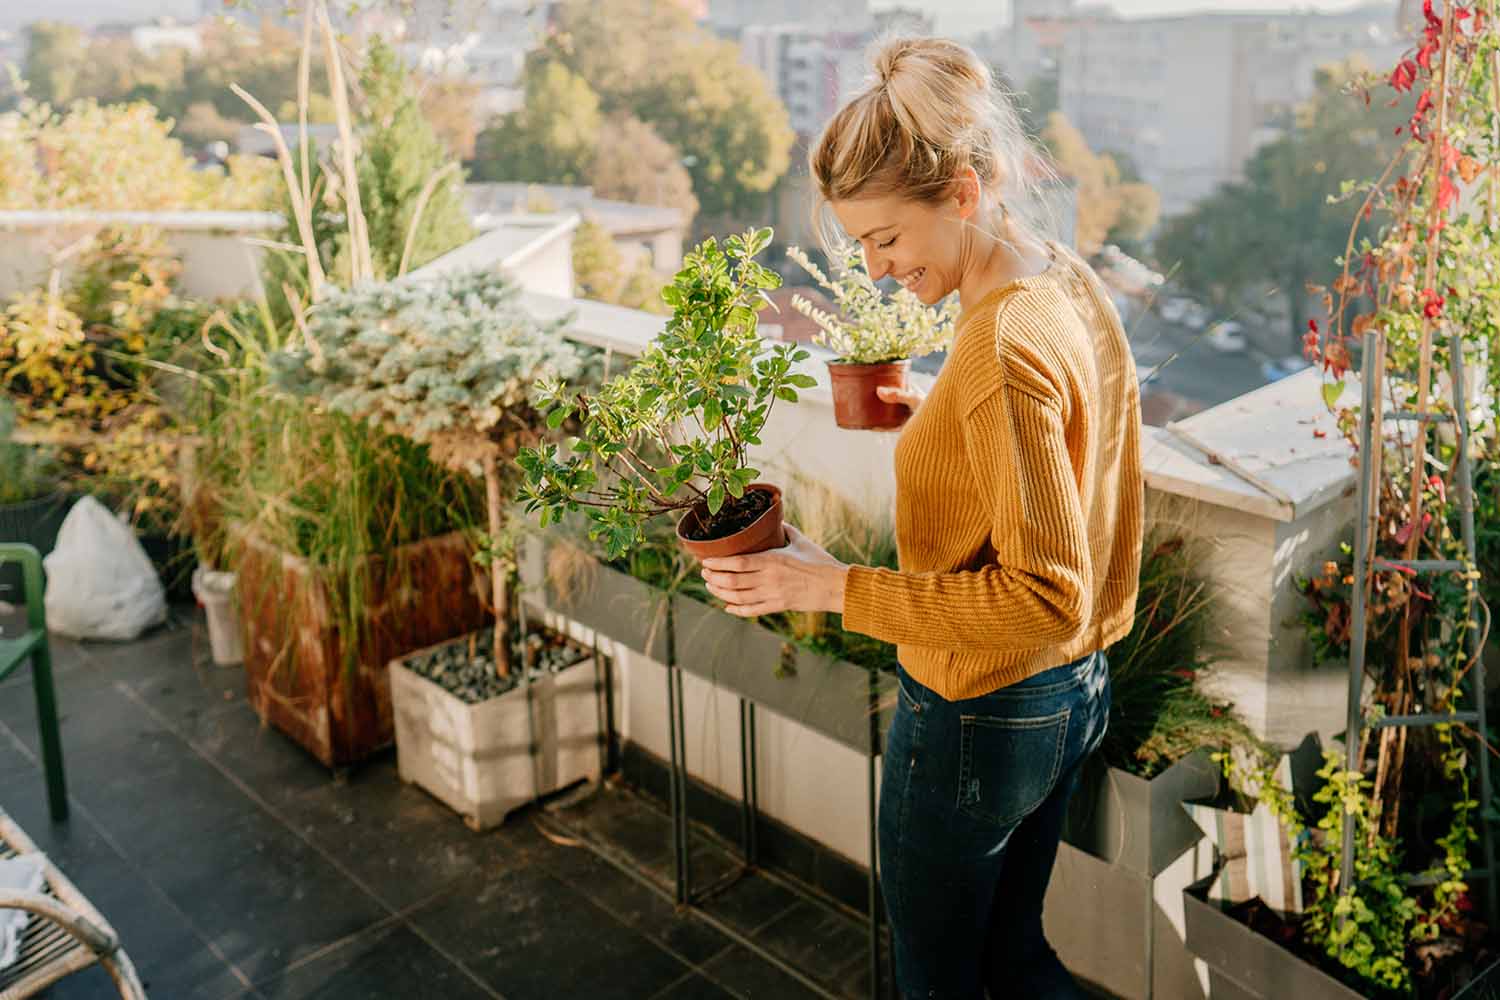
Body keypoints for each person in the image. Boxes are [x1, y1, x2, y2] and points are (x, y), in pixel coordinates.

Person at [698, 35, 1144, 1000]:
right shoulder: (1057, 276)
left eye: (887, 239)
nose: (873, 267)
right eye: (859, 245)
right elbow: (1069, 436)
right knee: (1014, 960)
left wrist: (824, 585)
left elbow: (1042, 596)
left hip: (983, 710)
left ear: (966, 195)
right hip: (1071, 696)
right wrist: (936, 411)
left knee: (940, 981)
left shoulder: (1002, 347)